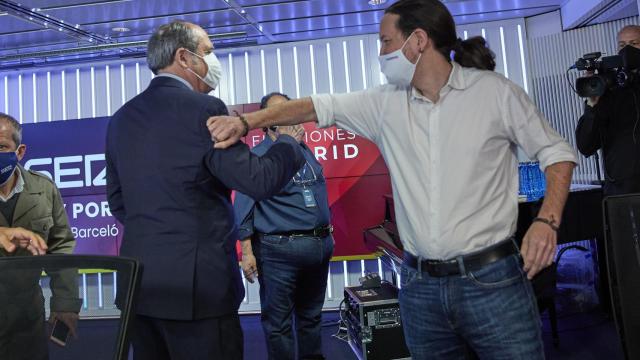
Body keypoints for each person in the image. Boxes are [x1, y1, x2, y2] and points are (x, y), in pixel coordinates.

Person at [206, 0, 578, 358]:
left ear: (418, 41)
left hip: (492, 280)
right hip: (420, 288)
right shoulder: (383, 103)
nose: (380, 52)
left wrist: (546, 221)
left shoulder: (494, 93)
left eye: (385, 41)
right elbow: (313, 105)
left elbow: (557, 154)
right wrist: (245, 121)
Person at [105, 21, 304, 360]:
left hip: (140, 285)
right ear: (184, 57)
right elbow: (259, 180)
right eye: (208, 52)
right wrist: (288, 139)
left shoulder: (122, 118)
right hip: (197, 290)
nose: (213, 60)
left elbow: (118, 201)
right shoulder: (205, 110)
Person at [234, 92, 334, 360]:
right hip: (279, 252)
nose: (288, 118)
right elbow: (243, 206)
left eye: (289, 111)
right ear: (267, 123)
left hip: (319, 248)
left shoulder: (302, 148)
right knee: (278, 324)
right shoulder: (257, 156)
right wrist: (247, 251)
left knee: (311, 317)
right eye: (278, 113)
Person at [0, 113, 82, 360]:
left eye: (2, 147)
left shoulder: (43, 188)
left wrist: (66, 303)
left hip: (26, 318)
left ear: (20, 151)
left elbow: (61, 247)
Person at [576, 25, 640, 196]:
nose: (627, 50)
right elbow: (586, 146)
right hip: (621, 194)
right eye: (622, 45)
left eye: (634, 43)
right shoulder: (608, 90)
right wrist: (592, 104)